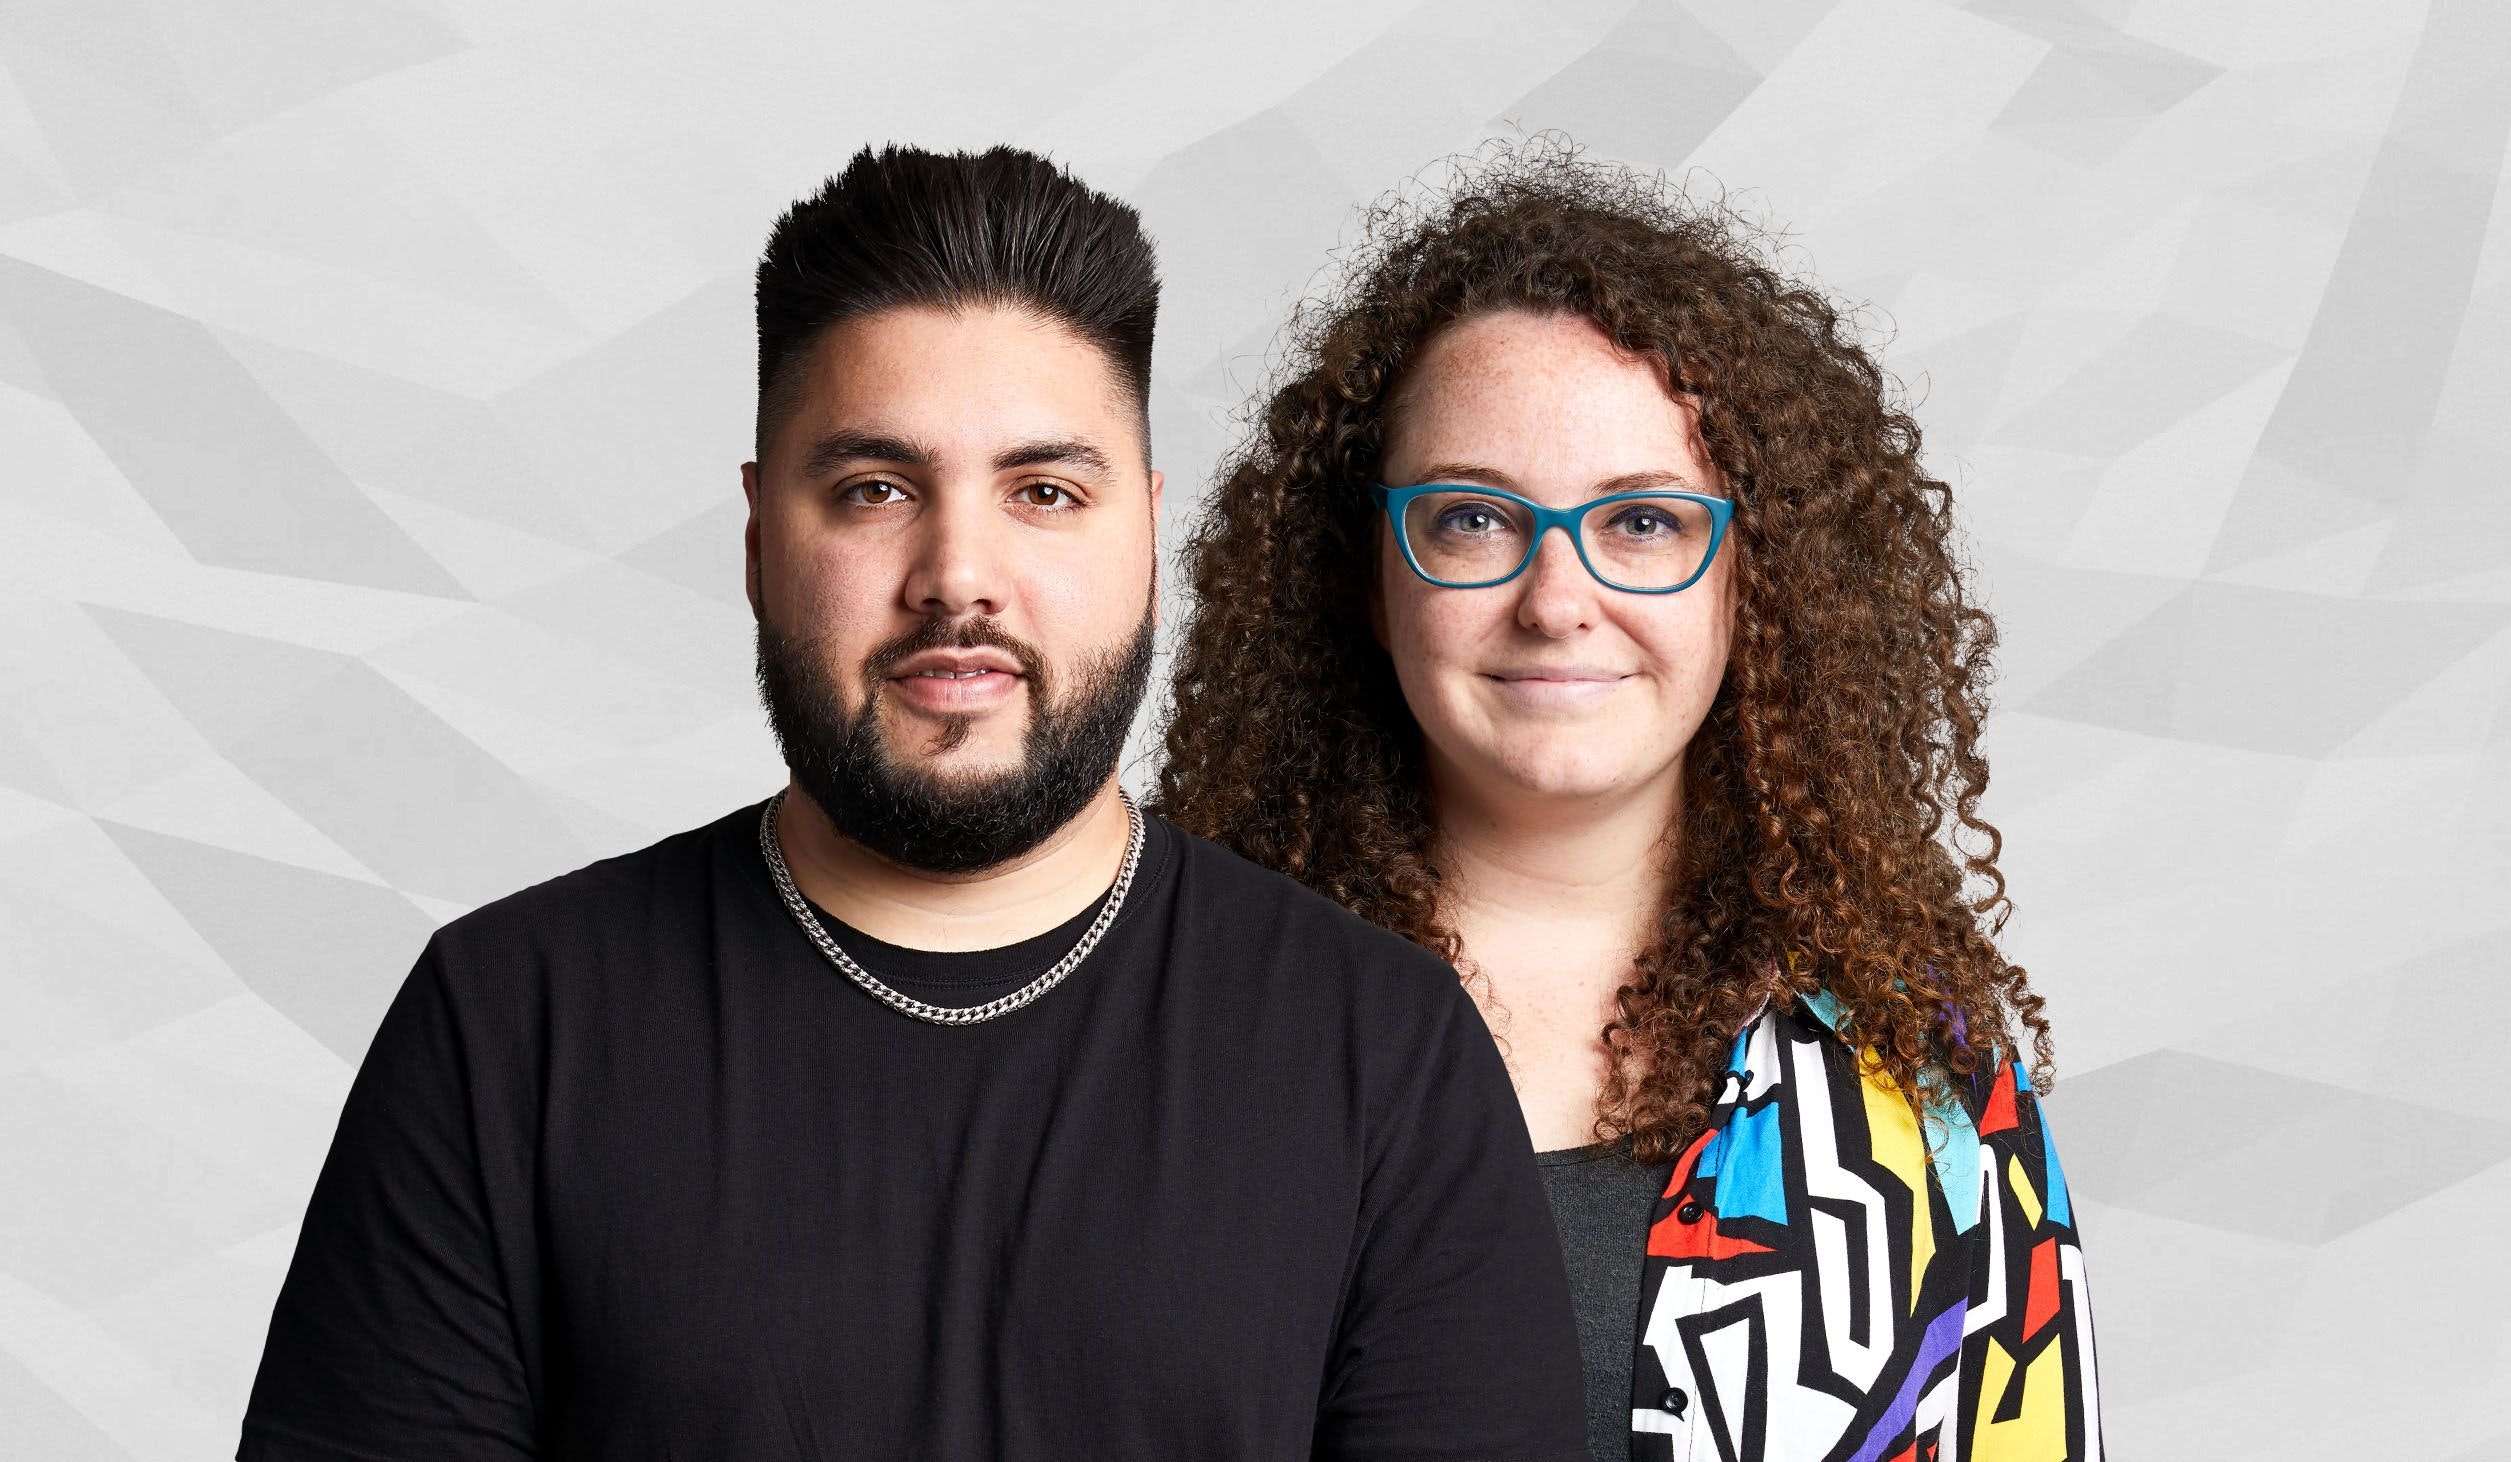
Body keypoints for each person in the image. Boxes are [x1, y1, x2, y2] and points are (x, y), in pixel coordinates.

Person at [239, 143, 1591, 1461]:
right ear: (761, 538)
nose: (959, 575)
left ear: (1147, 534)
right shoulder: (507, 1028)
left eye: (1044, 492)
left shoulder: (1383, 1057)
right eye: (875, 490)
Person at [1157, 142, 2101, 1462]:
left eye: (1644, 524)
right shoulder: (1168, 1034)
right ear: (1368, 575)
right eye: (1473, 519)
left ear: (1753, 579)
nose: (1558, 600)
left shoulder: (1931, 1104)